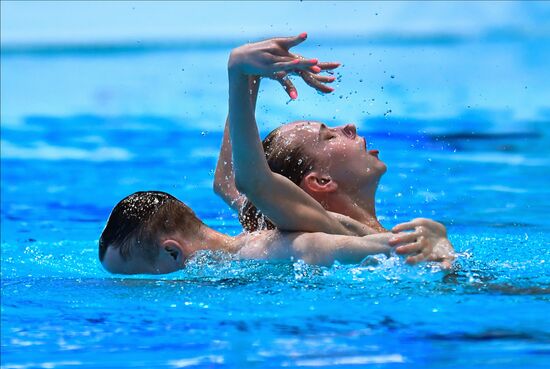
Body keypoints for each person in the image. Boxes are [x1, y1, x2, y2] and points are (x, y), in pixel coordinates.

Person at [216, 33, 455, 268]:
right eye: (329, 136)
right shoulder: (338, 229)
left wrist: (252, 75)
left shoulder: (282, 219)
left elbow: (227, 182)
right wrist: (237, 72)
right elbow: (253, 182)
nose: (349, 126)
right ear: (321, 181)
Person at [99, 191, 396, 274]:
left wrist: (404, 245)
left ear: (172, 252)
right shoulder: (252, 225)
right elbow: (225, 182)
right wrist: (246, 81)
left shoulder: (255, 251)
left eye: (137, 277)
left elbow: (315, 247)